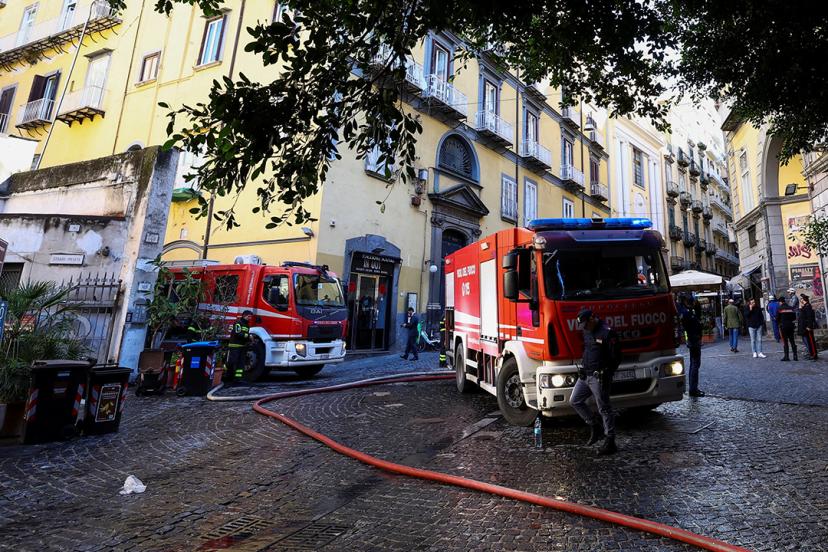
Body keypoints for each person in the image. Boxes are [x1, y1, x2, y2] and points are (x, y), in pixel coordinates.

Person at [570, 308, 621, 456]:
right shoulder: (587, 331)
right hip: (586, 374)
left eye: (586, 324)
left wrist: (608, 372)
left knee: (604, 407)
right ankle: (595, 425)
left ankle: (610, 440)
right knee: (575, 400)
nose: (584, 327)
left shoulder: (607, 332)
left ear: (593, 318)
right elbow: (588, 350)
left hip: (599, 375)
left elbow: (616, 356)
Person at [680, 296, 704, 397]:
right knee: (695, 364)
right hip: (694, 340)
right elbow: (696, 325)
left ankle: (692, 388)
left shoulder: (687, 313)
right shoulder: (689, 314)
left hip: (692, 339)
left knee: (693, 364)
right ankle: (693, 389)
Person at [226, 310, 253, 382]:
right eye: (249, 316)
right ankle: (229, 377)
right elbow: (237, 333)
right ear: (244, 316)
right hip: (235, 345)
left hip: (242, 346)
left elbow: (244, 335)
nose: (250, 318)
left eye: (250, 317)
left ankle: (238, 379)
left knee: (241, 363)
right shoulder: (238, 323)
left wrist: (249, 341)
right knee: (233, 361)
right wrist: (248, 336)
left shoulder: (247, 324)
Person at [798, 295, 819, 361]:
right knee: (808, 342)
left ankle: (814, 355)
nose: (800, 300)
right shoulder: (804, 306)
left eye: (801, 299)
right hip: (804, 327)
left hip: (807, 327)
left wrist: (809, 326)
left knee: (811, 342)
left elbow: (810, 317)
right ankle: (811, 354)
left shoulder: (807, 306)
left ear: (803, 300)